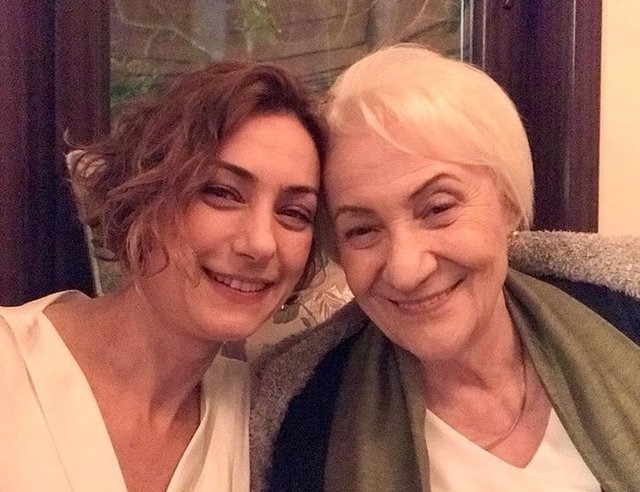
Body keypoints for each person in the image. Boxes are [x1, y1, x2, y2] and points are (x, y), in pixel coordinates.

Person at [250, 45, 640, 491]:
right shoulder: (307, 424)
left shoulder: (625, 317)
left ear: (507, 202)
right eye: (362, 230)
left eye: (437, 208)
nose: (406, 270)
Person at [0, 60, 327, 491]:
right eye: (222, 193)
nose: (261, 244)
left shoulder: (262, 419)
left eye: (294, 213)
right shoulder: (11, 362)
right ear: (144, 194)